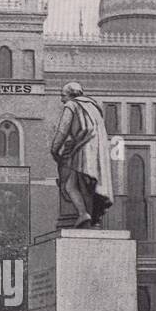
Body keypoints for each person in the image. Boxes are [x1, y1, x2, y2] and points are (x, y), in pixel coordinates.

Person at [48, 81, 113, 229]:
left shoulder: (72, 105)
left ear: (71, 95)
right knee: (86, 186)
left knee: (70, 186)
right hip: (95, 154)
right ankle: (89, 217)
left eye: (63, 96)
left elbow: (62, 130)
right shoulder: (94, 108)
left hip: (80, 151)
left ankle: (84, 214)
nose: (61, 99)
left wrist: (54, 148)